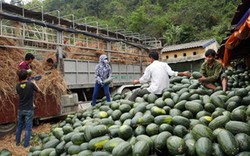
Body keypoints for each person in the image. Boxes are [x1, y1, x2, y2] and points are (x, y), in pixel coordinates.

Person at [15, 69, 41, 148]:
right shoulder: (31, 84)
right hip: (29, 109)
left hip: (20, 109)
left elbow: (18, 94)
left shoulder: (17, 85)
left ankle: (17, 143)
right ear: (27, 76)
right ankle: (26, 145)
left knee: (19, 126)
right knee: (28, 128)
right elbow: (39, 91)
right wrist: (34, 83)